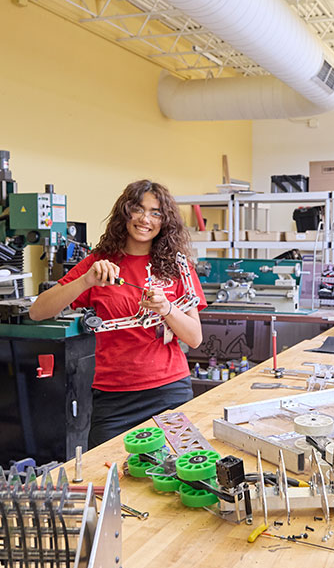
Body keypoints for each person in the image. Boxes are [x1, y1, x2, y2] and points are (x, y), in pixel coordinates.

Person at [29, 180, 206, 448]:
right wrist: (86, 281)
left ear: (165, 221)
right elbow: (38, 311)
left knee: (175, 469)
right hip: (113, 398)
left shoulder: (177, 266)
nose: (145, 219)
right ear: (125, 212)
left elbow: (194, 338)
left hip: (168, 392)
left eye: (156, 213)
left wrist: (167, 309)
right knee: (107, 469)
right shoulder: (99, 264)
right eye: (138, 209)